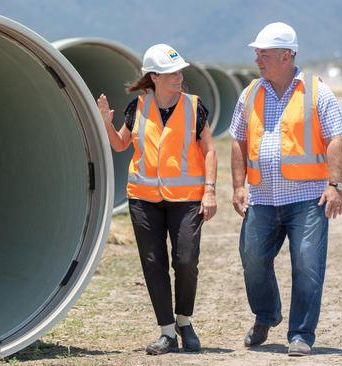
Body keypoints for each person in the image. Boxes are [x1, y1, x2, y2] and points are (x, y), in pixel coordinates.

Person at [230, 22, 342, 357]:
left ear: (286, 55)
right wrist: (238, 185)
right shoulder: (250, 92)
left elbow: (336, 137)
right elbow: (237, 140)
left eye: (264, 53)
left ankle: (301, 334)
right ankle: (266, 316)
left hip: (307, 199)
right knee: (252, 259)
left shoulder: (316, 91)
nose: (258, 59)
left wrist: (335, 185)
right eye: (257, 53)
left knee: (307, 265)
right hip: (263, 197)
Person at [97, 44, 217, 355]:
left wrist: (210, 189)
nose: (179, 77)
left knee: (186, 261)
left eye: (179, 72)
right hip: (143, 199)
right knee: (153, 264)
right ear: (154, 77)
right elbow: (121, 145)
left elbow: (210, 150)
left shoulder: (194, 106)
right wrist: (105, 123)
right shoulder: (138, 108)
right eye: (172, 73)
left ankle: (185, 321)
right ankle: (167, 332)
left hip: (187, 199)